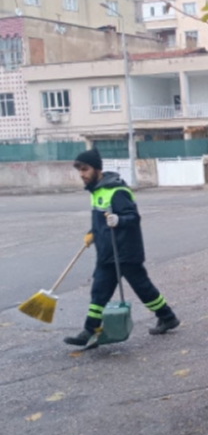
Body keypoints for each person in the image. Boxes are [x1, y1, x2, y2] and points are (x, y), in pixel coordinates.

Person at [65, 148, 179, 347]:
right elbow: (101, 220)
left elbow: (133, 217)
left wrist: (119, 220)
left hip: (125, 252)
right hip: (106, 252)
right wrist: (93, 232)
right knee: (99, 292)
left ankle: (167, 317)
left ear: (97, 169)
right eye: (80, 170)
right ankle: (90, 331)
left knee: (143, 288)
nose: (82, 174)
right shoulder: (96, 191)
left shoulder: (117, 191)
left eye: (85, 169)